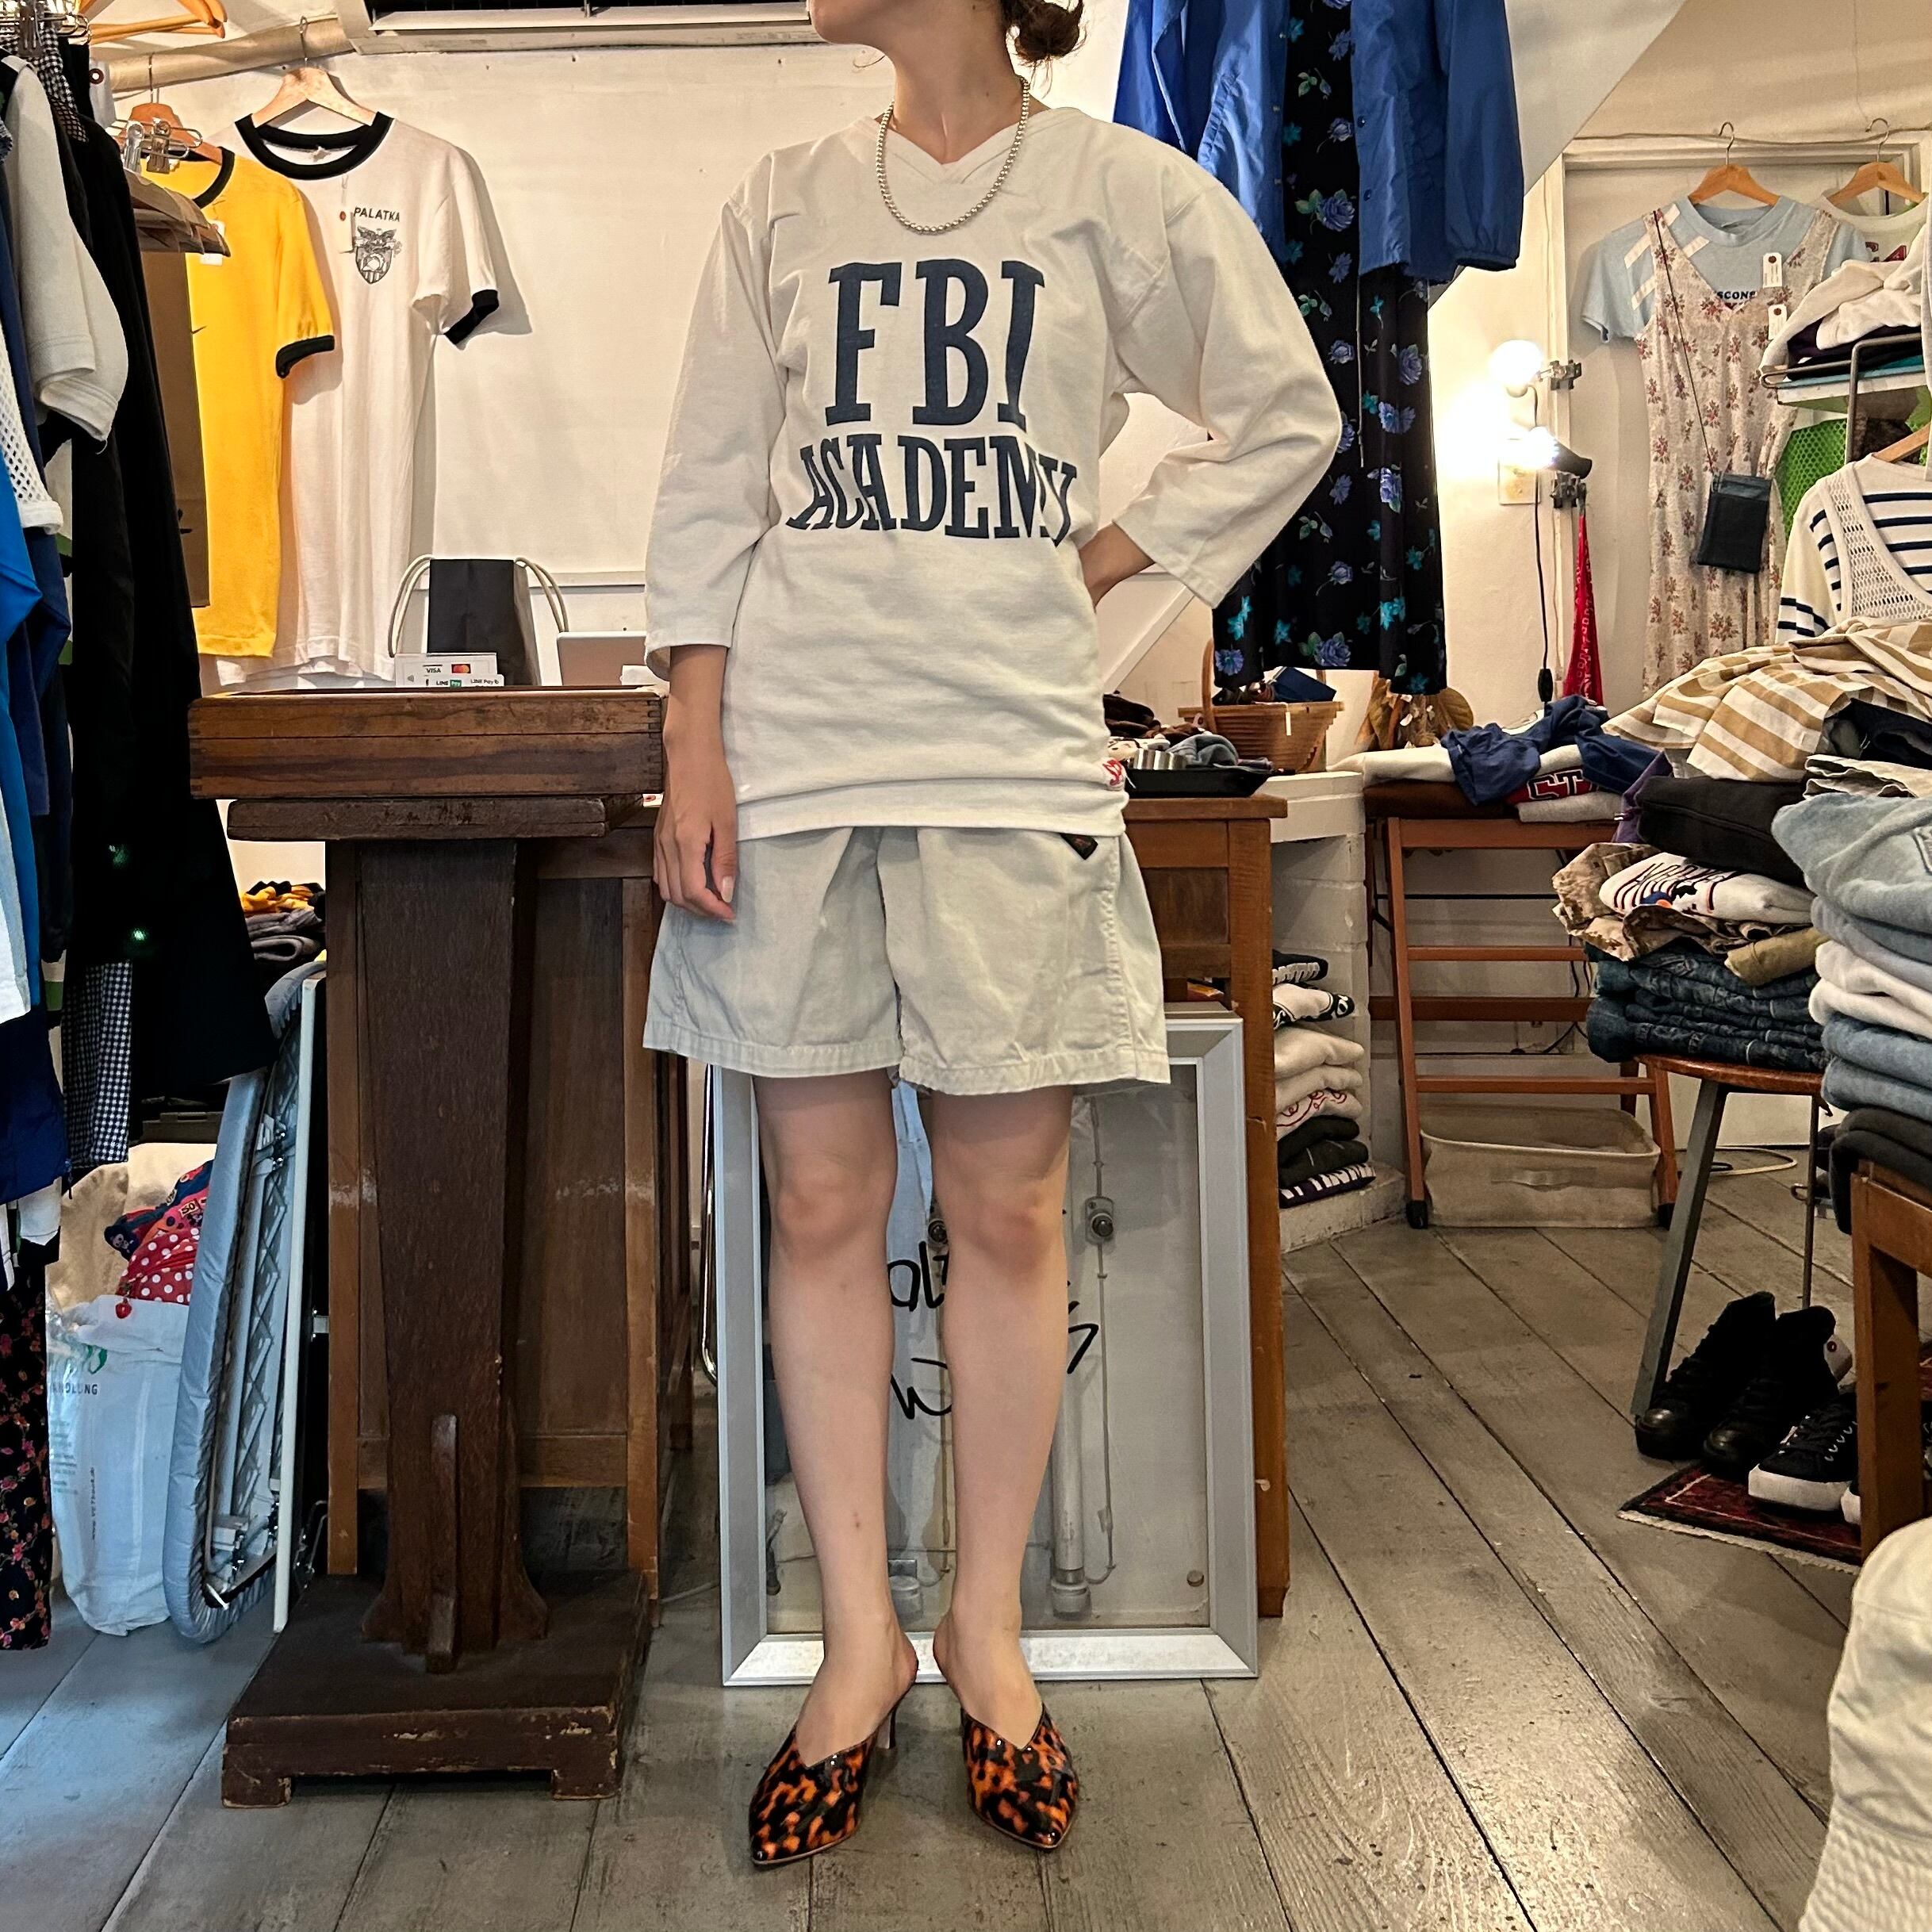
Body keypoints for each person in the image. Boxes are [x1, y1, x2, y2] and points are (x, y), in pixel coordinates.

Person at [642, 0, 1340, 1867]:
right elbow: (709, 486)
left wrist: (1106, 557)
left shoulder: (1122, 193)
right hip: (797, 763)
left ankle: (986, 1625)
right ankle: (858, 1640)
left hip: (1009, 762)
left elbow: (1287, 409)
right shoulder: (781, 202)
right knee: (817, 1203)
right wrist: (692, 741)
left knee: (1013, 1208)